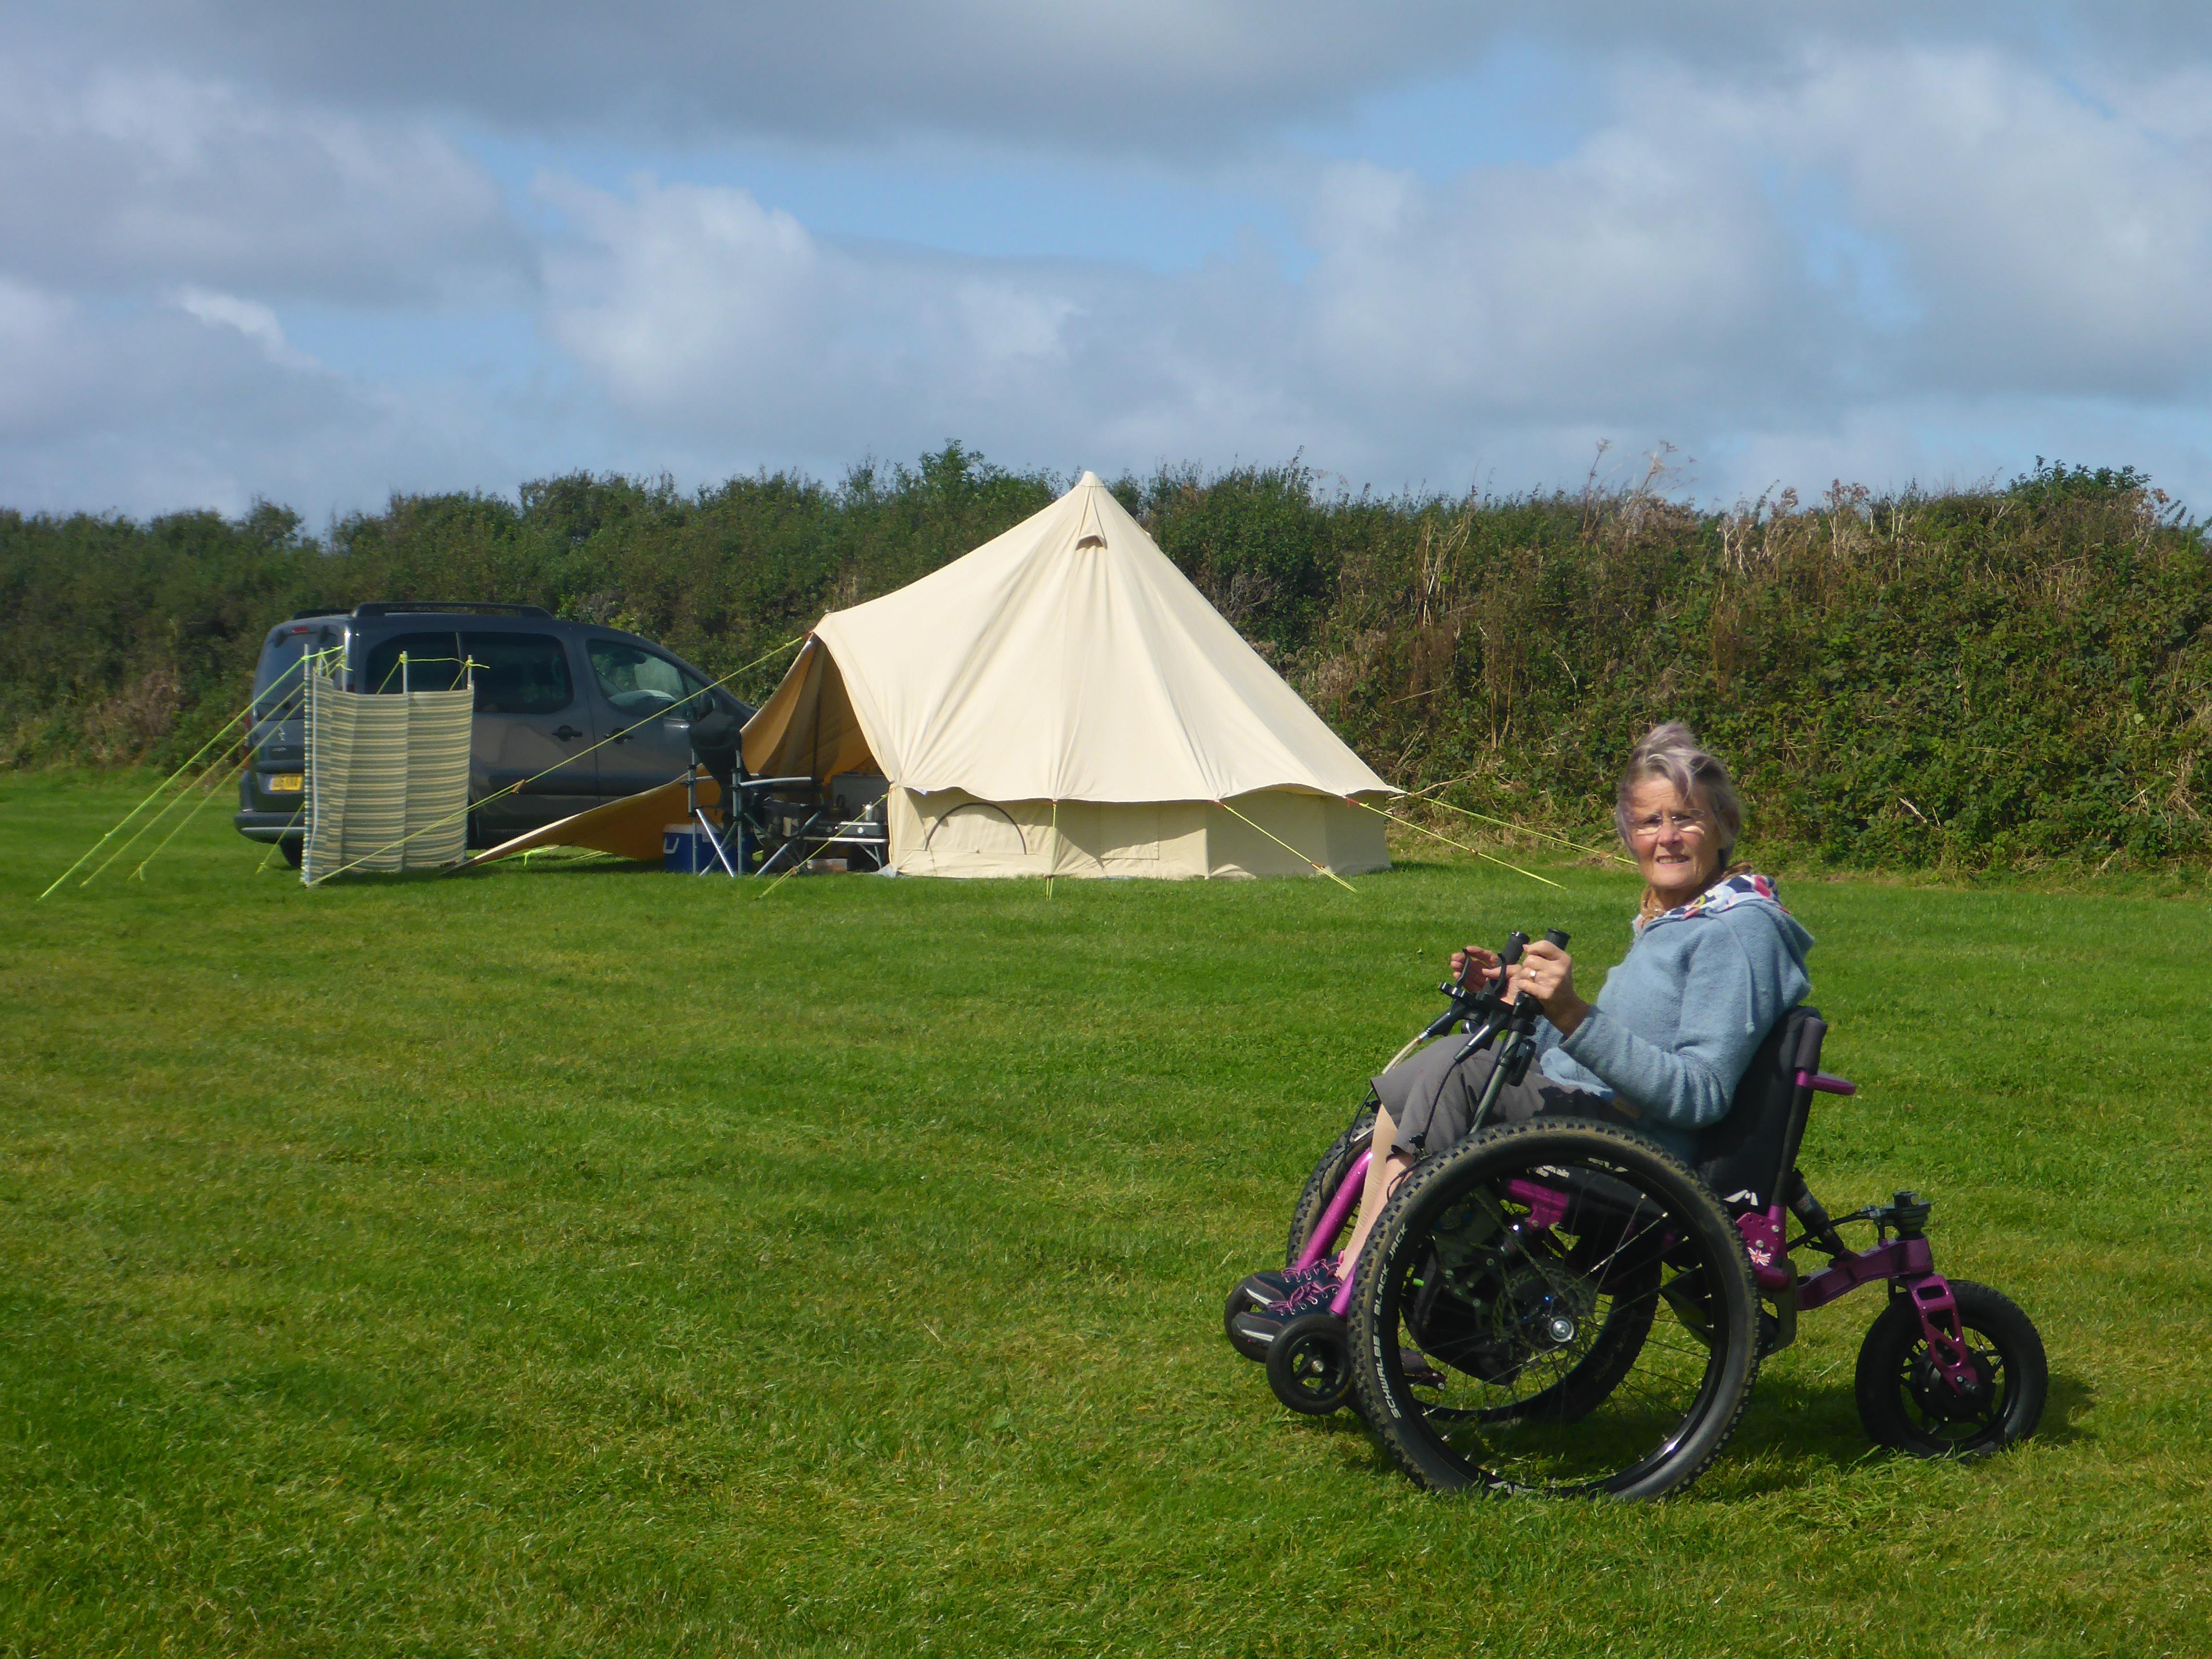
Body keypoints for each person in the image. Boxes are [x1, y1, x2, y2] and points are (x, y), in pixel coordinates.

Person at [1233, 722, 1814, 1346]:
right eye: (1649, 822)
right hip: (1596, 1122)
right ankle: (1346, 1275)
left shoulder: (1737, 931)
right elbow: (1596, 1053)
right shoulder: (1681, 919)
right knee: (1433, 1071)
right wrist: (1517, 1000)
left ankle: (1353, 1301)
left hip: (1640, 1154)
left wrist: (1572, 1013)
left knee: (1456, 1073)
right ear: (1630, 836)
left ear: (1724, 825)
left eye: (1686, 819)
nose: (1666, 837)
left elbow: (1699, 1094)